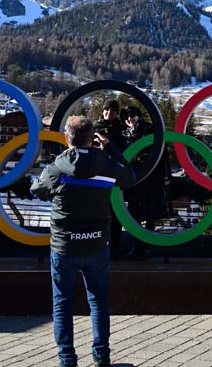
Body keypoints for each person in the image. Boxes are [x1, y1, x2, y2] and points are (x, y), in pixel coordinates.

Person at [31, 116, 134, 367]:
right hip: (98, 244)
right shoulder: (106, 164)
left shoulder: (57, 167)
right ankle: (101, 356)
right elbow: (130, 177)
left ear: (68, 138)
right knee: (98, 300)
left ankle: (67, 360)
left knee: (62, 302)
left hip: (64, 246)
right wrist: (109, 147)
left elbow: (37, 190)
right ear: (92, 138)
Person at [121, 105, 171, 257]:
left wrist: (166, 175)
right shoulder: (125, 132)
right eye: (127, 117)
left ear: (138, 115)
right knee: (135, 212)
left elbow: (163, 152)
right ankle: (140, 246)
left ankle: (143, 247)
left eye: (132, 115)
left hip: (150, 176)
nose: (130, 119)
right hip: (134, 177)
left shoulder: (149, 129)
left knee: (149, 212)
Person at [95, 99, 129, 258]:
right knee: (97, 215)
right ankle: (98, 248)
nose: (109, 113)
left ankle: (115, 249)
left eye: (113, 111)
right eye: (107, 110)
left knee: (116, 216)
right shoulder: (95, 128)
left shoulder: (122, 129)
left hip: (115, 177)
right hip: (96, 177)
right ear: (103, 111)